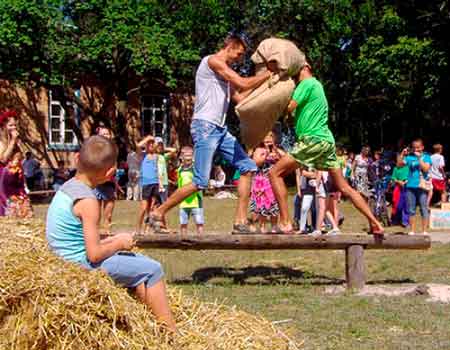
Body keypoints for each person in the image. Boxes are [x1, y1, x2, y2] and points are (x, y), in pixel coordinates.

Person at [45, 136, 176, 331]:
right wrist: (119, 243)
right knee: (153, 269)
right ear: (110, 173)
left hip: (62, 257)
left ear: (77, 158)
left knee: (134, 262)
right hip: (79, 264)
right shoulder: (88, 201)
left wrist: (111, 241)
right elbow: (94, 255)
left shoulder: (67, 188)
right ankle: (171, 331)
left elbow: (80, 238)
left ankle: (147, 322)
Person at [149, 31, 273, 233]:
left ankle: (240, 222)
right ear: (230, 47)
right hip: (205, 127)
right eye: (239, 54)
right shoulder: (213, 61)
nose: (239, 59)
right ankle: (158, 212)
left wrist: (269, 86)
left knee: (248, 167)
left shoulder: (226, 76)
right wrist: (266, 74)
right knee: (200, 181)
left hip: (220, 130)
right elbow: (242, 82)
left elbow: (241, 97)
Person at [269, 61, 384, 235]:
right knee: (344, 187)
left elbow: (288, 108)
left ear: (305, 67)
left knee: (274, 173)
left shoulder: (306, 83)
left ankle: (285, 223)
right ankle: (375, 223)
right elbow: (294, 116)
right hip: (326, 141)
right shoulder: (316, 87)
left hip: (312, 140)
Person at [398, 139, 432, 235]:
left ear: (422, 147)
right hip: (410, 186)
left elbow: (426, 168)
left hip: (422, 186)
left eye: (418, 147)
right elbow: (399, 165)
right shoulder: (409, 158)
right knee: (411, 209)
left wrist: (419, 158)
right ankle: (412, 230)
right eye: (414, 147)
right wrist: (402, 154)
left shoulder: (427, 157)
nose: (416, 149)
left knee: (423, 208)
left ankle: (424, 231)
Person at [93, 126, 121, 234]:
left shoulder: (113, 149)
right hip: (96, 184)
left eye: (107, 134)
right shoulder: (94, 149)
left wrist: (104, 177)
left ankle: (106, 234)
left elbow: (114, 167)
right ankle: (94, 235)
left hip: (108, 183)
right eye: (103, 134)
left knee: (108, 215)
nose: (105, 136)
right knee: (94, 214)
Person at [136, 135, 164, 234]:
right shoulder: (143, 155)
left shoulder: (157, 156)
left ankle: (147, 229)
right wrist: (148, 138)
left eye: (153, 143)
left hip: (155, 183)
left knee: (152, 208)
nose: (151, 145)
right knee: (144, 209)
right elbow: (138, 146)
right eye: (149, 144)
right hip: (145, 184)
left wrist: (160, 184)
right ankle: (138, 228)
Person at [249, 145, 280, 233]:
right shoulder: (258, 149)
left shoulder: (275, 151)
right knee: (259, 208)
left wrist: (275, 151)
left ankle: (274, 226)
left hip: (271, 187)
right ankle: (261, 226)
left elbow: (282, 159)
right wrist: (264, 155)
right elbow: (256, 161)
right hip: (258, 186)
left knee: (274, 208)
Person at [177, 147, 204, 235]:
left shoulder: (196, 169)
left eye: (190, 155)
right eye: (186, 155)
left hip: (196, 202)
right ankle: (184, 241)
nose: (188, 157)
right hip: (183, 202)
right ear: (182, 157)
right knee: (183, 223)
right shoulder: (179, 170)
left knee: (199, 223)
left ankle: (201, 241)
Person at [155, 137, 177, 204]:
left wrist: (164, 149)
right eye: (158, 145)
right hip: (156, 182)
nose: (159, 147)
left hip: (164, 182)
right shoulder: (152, 156)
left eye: (161, 145)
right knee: (155, 203)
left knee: (163, 202)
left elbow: (174, 150)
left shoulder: (164, 156)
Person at [391, 162, 409, 227]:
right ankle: (395, 220)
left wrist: (405, 182)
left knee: (406, 205)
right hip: (398, 187)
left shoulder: (408, 167)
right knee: (396, 204)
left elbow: (410, 176)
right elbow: (393, 177)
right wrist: (399, 181)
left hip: (406, 187)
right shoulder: (396, 168)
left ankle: (405, 221)